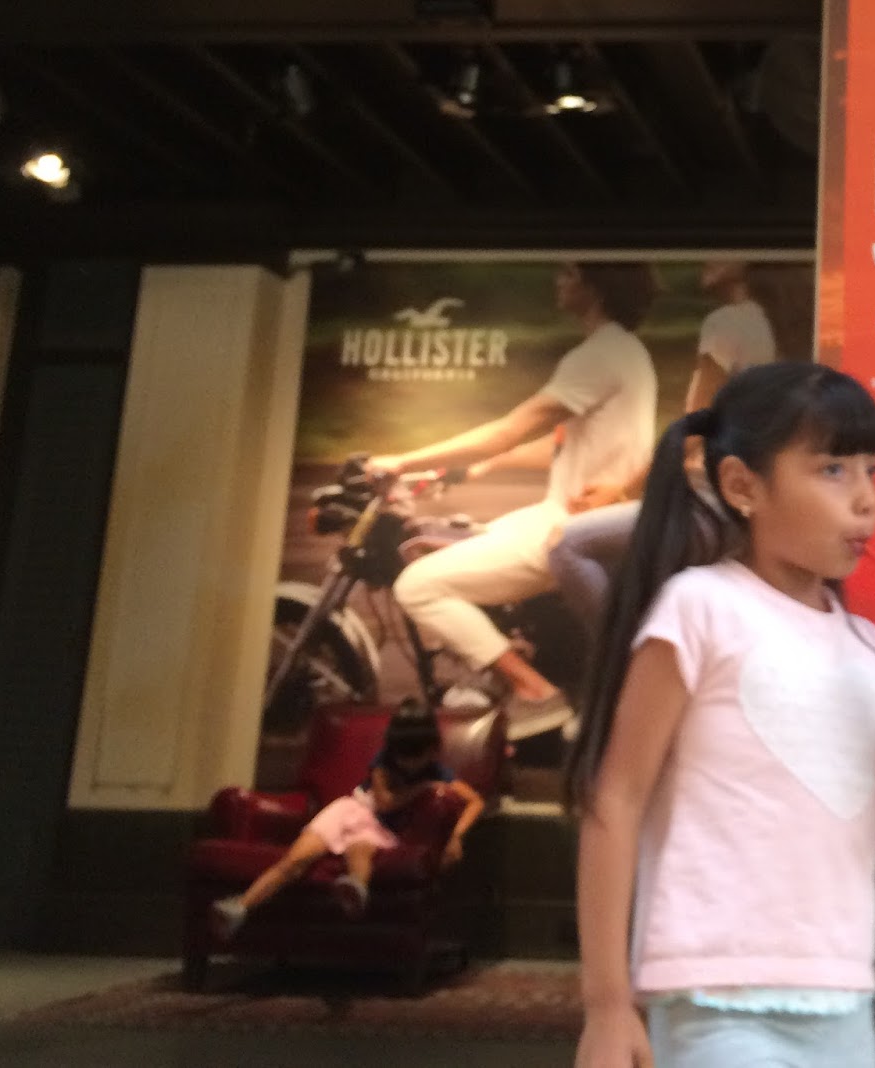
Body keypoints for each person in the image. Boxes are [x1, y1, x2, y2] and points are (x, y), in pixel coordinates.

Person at [569, 361, 875, 1068]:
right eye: (832, 469)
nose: (865, 499)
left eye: (871, 470)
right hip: (714, 1000)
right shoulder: (701, 606)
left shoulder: (867, 648)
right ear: (743, 487)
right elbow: (615, 799)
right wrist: (607, 1005)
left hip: (843, 1005)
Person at [373, 263, 660, 738]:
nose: (558, 280)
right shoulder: (628, 352)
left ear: (595, 287)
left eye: (568, 273)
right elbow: (560, 442)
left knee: (417, 587)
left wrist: (400, 461)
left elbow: (507, 430)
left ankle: (533, 690)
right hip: (580, 518)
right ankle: (503, 662)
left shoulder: (596, 357)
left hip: (570, 528)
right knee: (472, 536)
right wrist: (482, 467)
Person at [543, 260, 784, 653]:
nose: (707, 258)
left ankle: (629, 664)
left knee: (567, 545)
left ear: (744, 264)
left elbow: (692, 430)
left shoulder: (726, 322)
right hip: (737, 511)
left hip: (706, 506)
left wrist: (622, 490)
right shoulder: (763, 323)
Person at [210, 699, 484, 937]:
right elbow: (385, 803)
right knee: (296, 859)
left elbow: (475, 801)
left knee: (360, 850)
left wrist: (456, 836)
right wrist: (422, 787)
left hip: (380, 829)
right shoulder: (385, 762)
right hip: (352, 810)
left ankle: (355, 892)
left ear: (432, 750)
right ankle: (241, 906)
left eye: (416, 756)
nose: (407, 763)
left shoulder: (437, 771)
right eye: (402, 755)